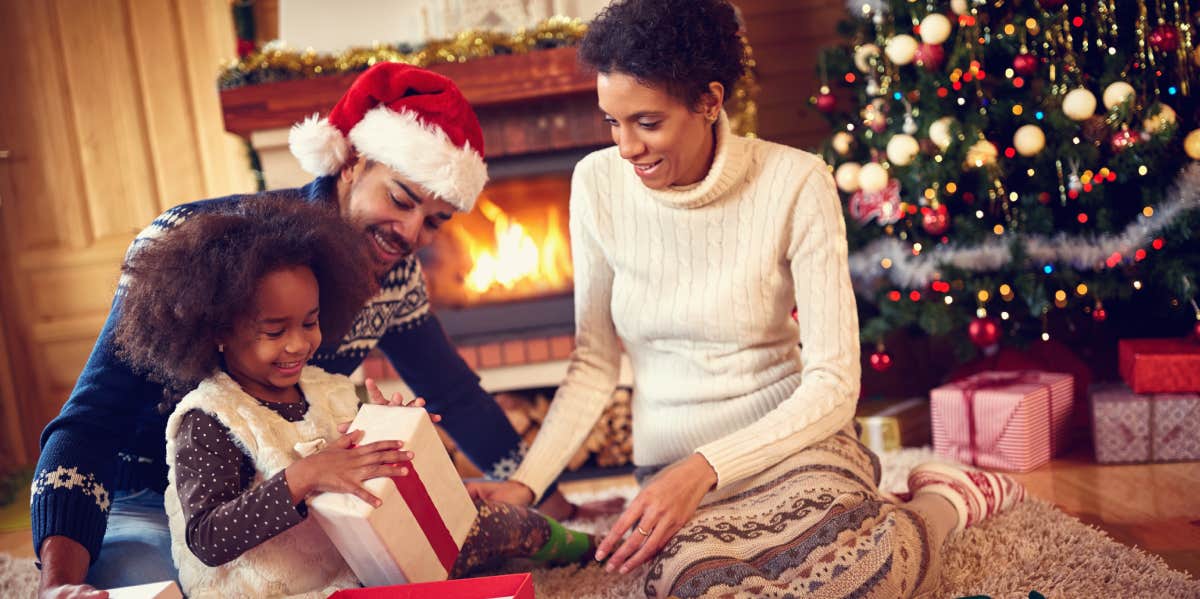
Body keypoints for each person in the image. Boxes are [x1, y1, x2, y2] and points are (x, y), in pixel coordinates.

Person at [471, 1, 1028, 597]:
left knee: (869, 569)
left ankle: (945, 500)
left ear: (709, 102)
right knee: (695, 588)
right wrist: (525, 485)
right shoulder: (596, 184)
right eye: (612, 122)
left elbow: (835, 384)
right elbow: (594, 365)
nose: (626, 146)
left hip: (791, 447)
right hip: (669, 471)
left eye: (647, 123)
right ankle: (870, 511)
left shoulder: (796, 182)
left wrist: (707, 466)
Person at [32, 62, 596, 598]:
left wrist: (549, 496)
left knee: (420, 557)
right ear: (350, 159)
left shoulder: (393, 279)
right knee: (159, 590)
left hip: (291, 504)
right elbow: (89, 424)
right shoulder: (189, 242)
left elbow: (455, 395)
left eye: (435, 221)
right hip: (149, 498)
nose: (411, 233)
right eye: (400, 199)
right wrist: (56, 580)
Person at [109, 197, 593, 598]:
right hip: (271, 592)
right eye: (274, 331)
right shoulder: (211, 418)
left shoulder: (326, 388)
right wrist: (302, 478)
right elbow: (207, 539)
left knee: (480, 521)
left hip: (354, 572)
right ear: (217, 330)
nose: (298, 344)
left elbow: (366, 476)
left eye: (310, 322)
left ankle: (590, 547)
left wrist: (393, 433)